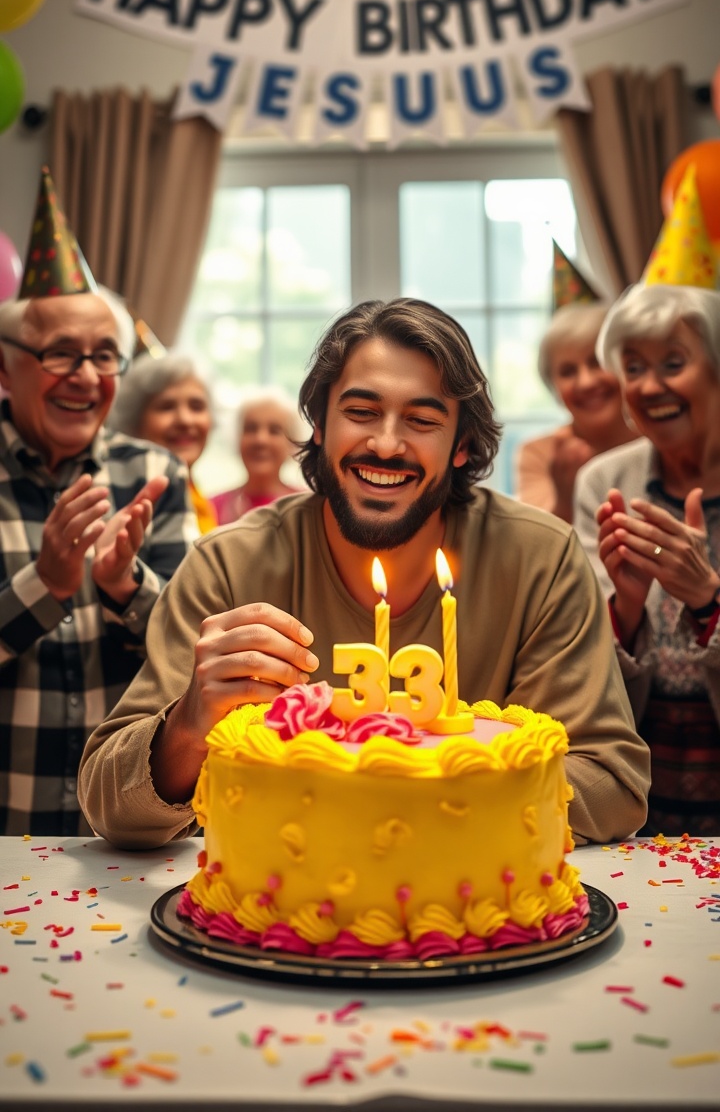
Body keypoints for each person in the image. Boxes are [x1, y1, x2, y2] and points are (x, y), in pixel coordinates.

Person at [78, 297, 650, 850]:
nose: (385, 443)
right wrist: (188, 724)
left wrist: (403, 804)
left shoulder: (539, 560)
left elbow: (613, 781)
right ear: (320, 425)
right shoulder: (229, 565)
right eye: (361, 412)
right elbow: (109, 801)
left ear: (462, 444)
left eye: (423, 419)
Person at [0, 169, 199, 835]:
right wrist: (46, 586)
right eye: (61, 355)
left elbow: (192, 663)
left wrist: (126, 586)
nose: (86, 377)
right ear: (6, 367)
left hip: (122, 834)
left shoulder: (154, 473)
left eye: (105, 356)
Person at [574, 282, 720, 837]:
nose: (650, 386)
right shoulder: (605, 483)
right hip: (636, 798)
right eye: (633, 367)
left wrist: (708, 599)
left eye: (673, 363)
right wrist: (626, 607)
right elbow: (585, 675)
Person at [515, 303, 635, 521]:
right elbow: (534, 547)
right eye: (568, 371)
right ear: (553, 388)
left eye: (596, 362)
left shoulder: (660, 442)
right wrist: (564, 500)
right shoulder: (539, 454)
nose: (586, 382)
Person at [110, 354, 217, 534]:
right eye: (166, 406)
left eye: (197, 406)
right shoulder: (124, 499)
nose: (185, 420)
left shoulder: (200, 498)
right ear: (134, 421)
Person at [211, 385, 303, 525]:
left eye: (274, 430)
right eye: (250, 429)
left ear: (292, 441)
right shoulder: (211, 509)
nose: (261, 440)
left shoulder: (308, 508)